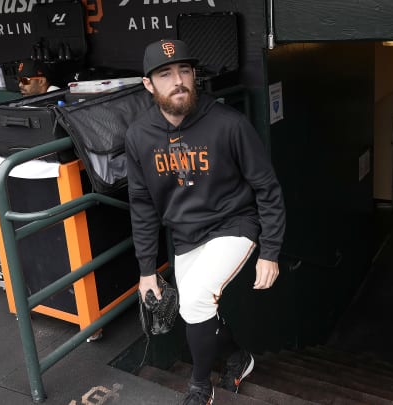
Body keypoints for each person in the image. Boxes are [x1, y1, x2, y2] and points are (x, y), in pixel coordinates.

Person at [126, 39, 286, 404]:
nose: (178, 80)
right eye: (165, 74)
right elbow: (142, 205)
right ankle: (236, 356)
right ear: (149, 84)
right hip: (185, 235)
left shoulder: (229, 124)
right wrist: (146, 269)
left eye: (184, 71)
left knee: (196, 299)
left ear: (195, 76)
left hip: (234, 223)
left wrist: (271, 251)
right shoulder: (139, 136)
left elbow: (268, 188)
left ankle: (200, 387)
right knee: (193, 308)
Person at [0, 58, 61, 288]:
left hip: (57, 179)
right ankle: (5, 246)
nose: (21, 85)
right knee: (12, 203)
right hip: (41, 174)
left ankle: (8, 274)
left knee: (29, 218)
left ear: (43, 80)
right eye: (19, 80)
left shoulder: (57, 100)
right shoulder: (33, 99)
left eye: (26, 80)